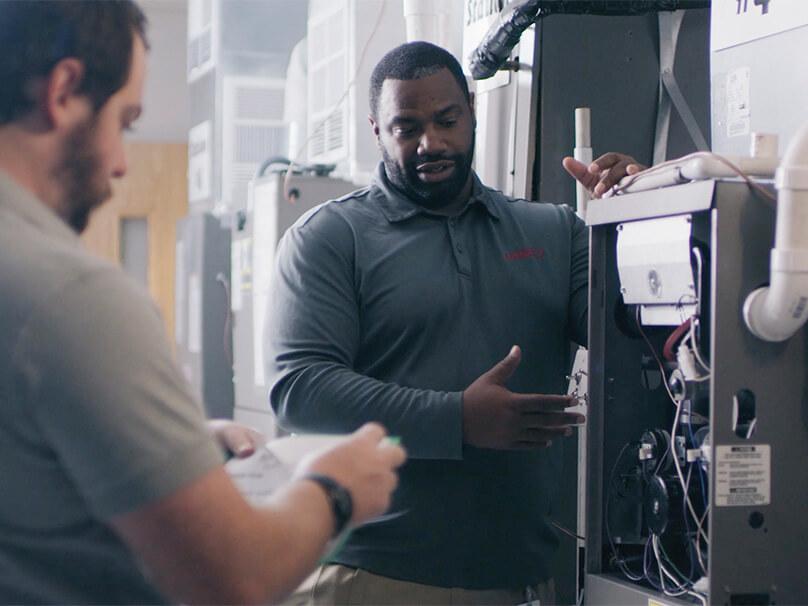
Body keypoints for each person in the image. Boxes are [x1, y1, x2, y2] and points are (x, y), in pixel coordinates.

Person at [0, 2, 406, 604]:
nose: (119, 164)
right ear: (62, 93)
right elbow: (235, 577)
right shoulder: (73, 296)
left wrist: (167, 448)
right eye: (124, 121)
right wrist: (336, 488)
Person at [264, 41, 642, 605]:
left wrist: (633, 219)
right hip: (372, 577)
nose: (430, 142)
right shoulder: (331, 237)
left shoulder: (555, 232)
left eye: (446, 120)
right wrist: (455, 420)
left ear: (471, 108)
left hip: (514, 579)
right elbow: (299, 390)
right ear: (376, 131)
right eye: (406, 127)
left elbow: (633, 341)